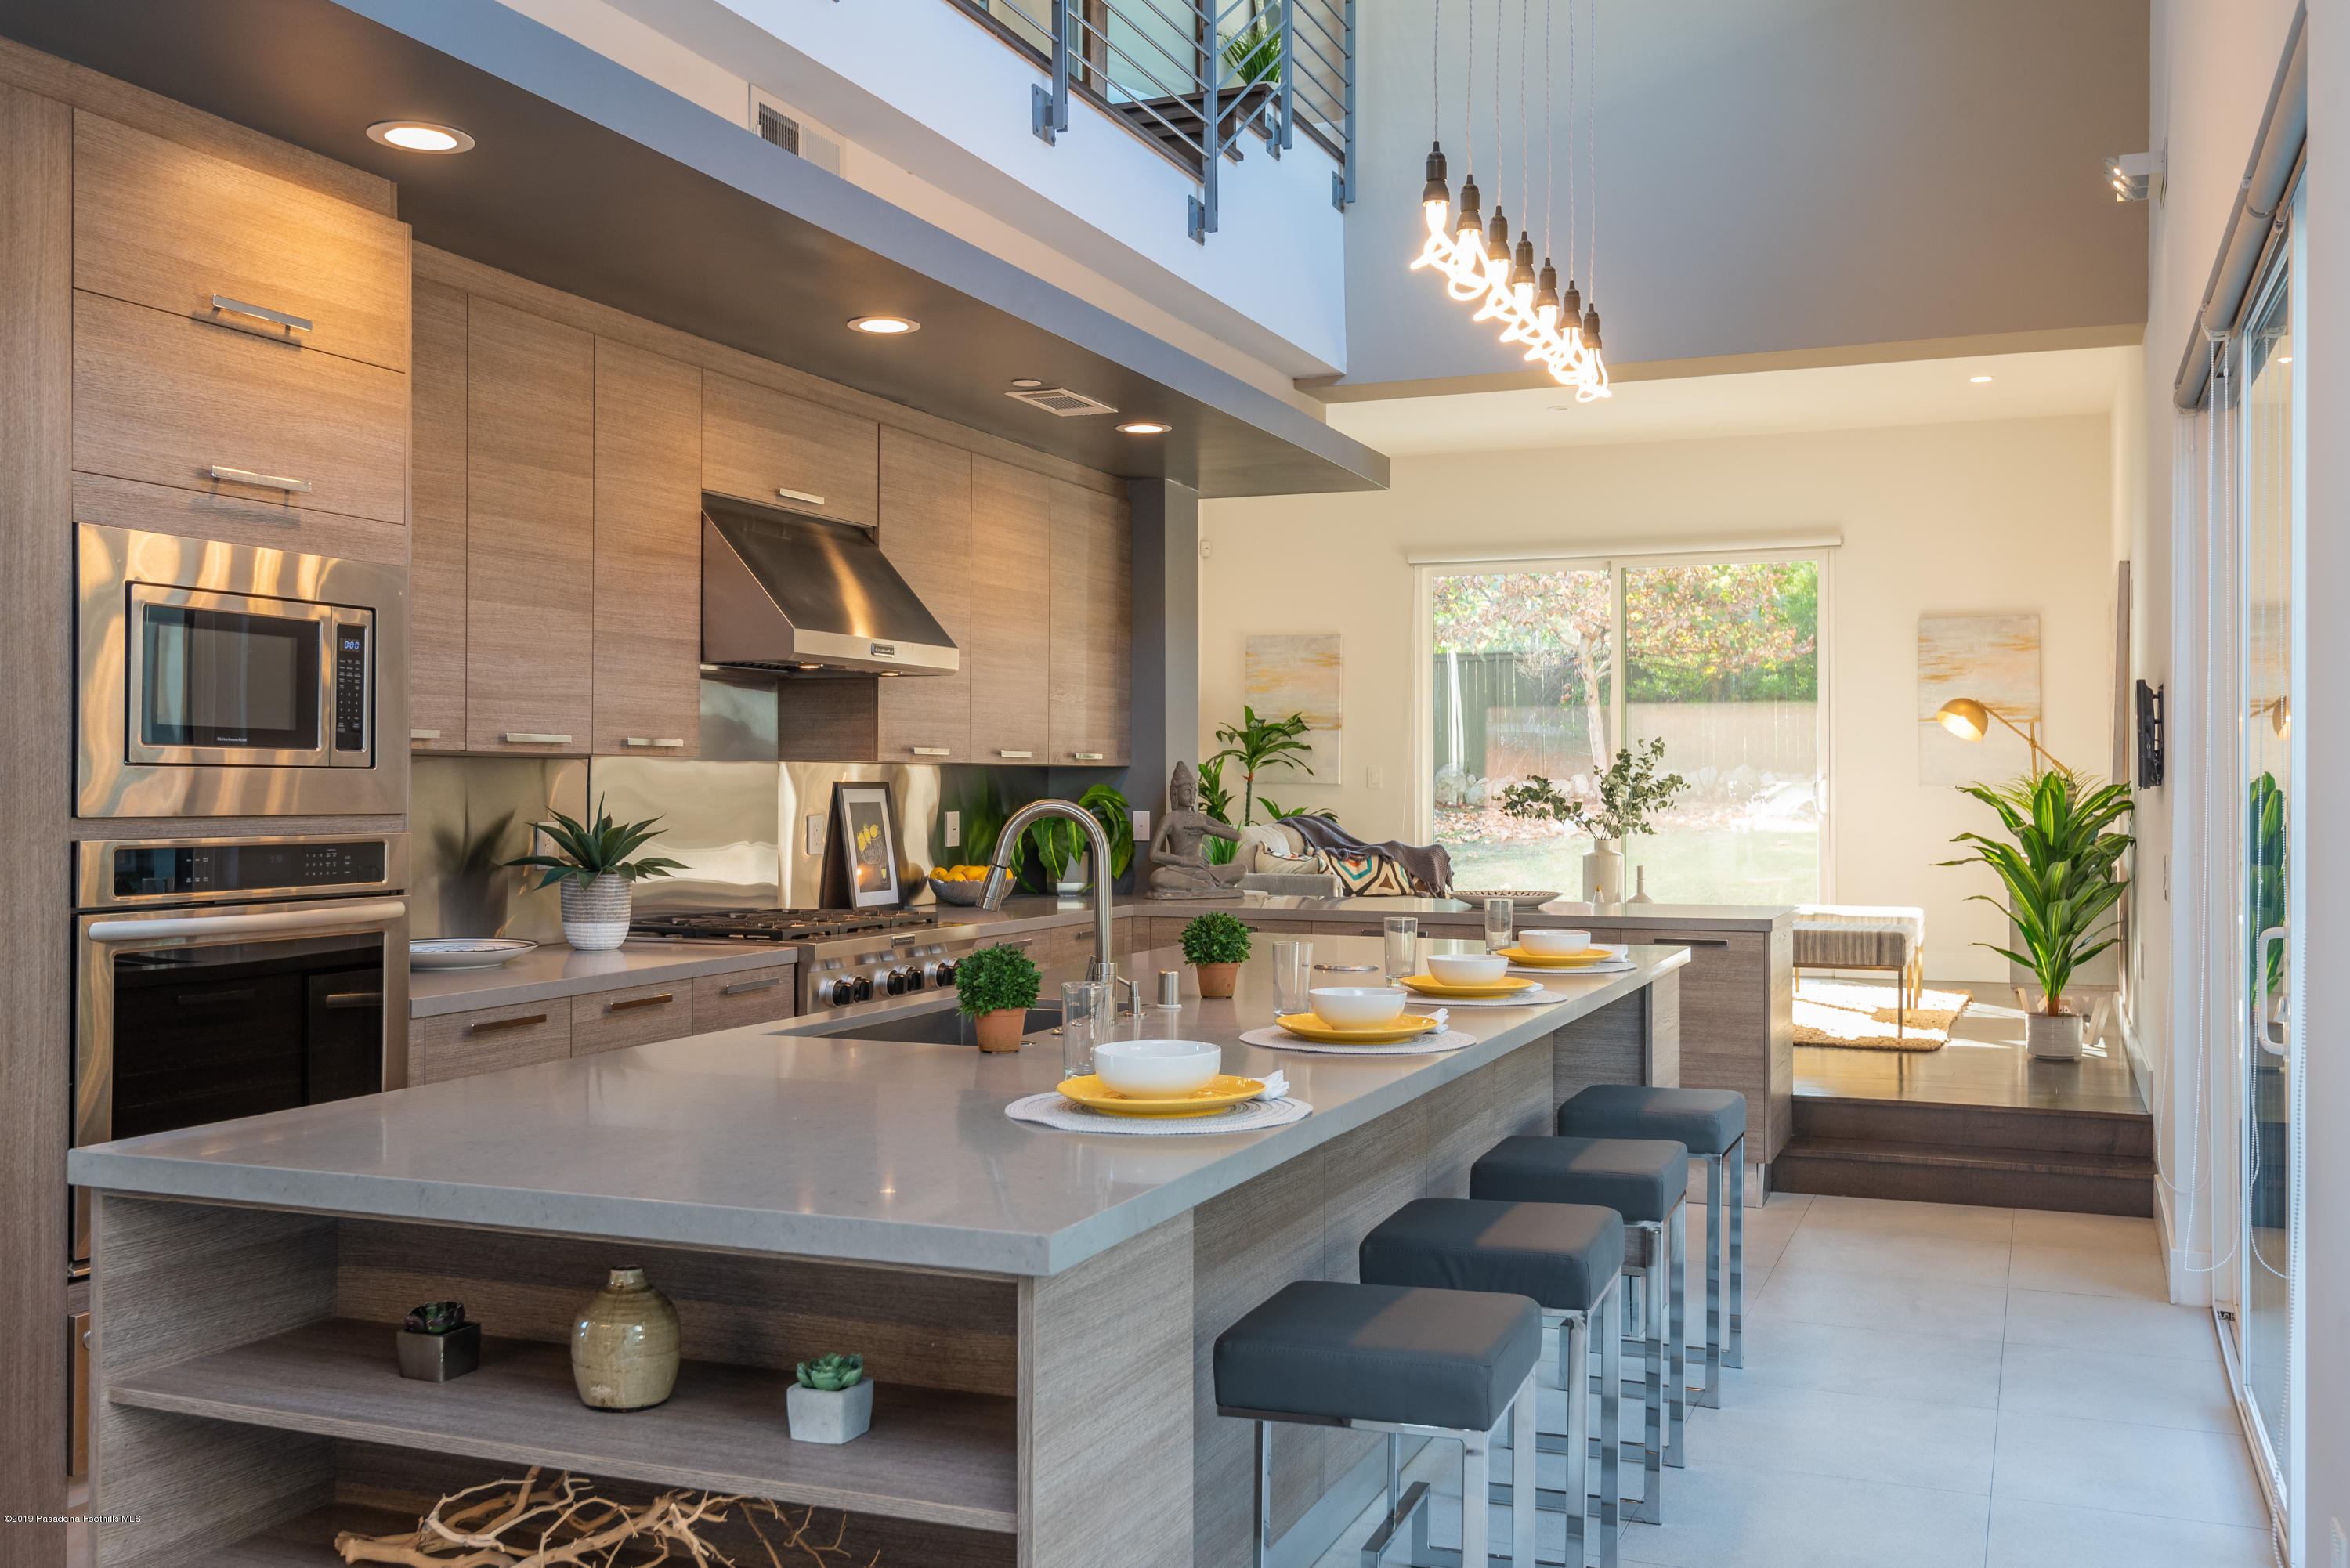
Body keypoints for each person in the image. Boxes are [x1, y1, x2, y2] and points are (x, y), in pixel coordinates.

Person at [1146, 761, 1248, 898]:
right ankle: (1204, 885)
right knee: (1157, 877)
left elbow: (1236, 836)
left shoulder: (1201, 818)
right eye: (1187, 792)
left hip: (1202, 870)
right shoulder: (1170, 818)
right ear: (1175, 794)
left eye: (1194, 792)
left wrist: (1207, 829)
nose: (1192, 796)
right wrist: (1186, 861)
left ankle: (1204, 884)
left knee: (1242, 869)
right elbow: (1154, 854)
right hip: (1178, 871)